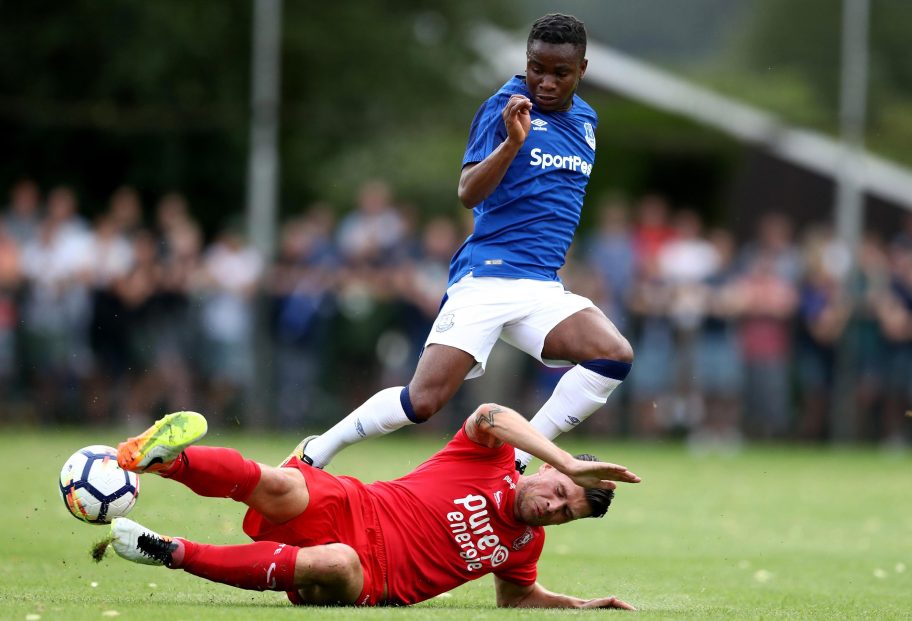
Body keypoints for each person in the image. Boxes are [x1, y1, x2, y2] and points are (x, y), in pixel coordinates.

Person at [298, 13, 633, 473]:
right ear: (526, 62)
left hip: (541, 286)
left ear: (583, 70)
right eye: (537, 68)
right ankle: (319, 447)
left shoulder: (587, 120)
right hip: (488, 277)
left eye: (561, 73)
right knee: (424, 401)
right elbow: (468, 192)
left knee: (612, 356)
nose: (546, 81)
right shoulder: (505, 108)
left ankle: (515, 458)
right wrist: (512, 145)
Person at [109, 407, 640, 608]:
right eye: (561, 491)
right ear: (549, 469)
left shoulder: (523, 545)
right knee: (283, 482)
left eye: (566, 514)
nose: (553, 507)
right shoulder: (490, 457)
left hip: (368, 578)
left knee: (334, 561)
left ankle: (171, 551)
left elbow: (519, 598)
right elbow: (489, 413)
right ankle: (158, 462)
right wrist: (569, 458)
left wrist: (573, 605)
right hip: (355, 505)